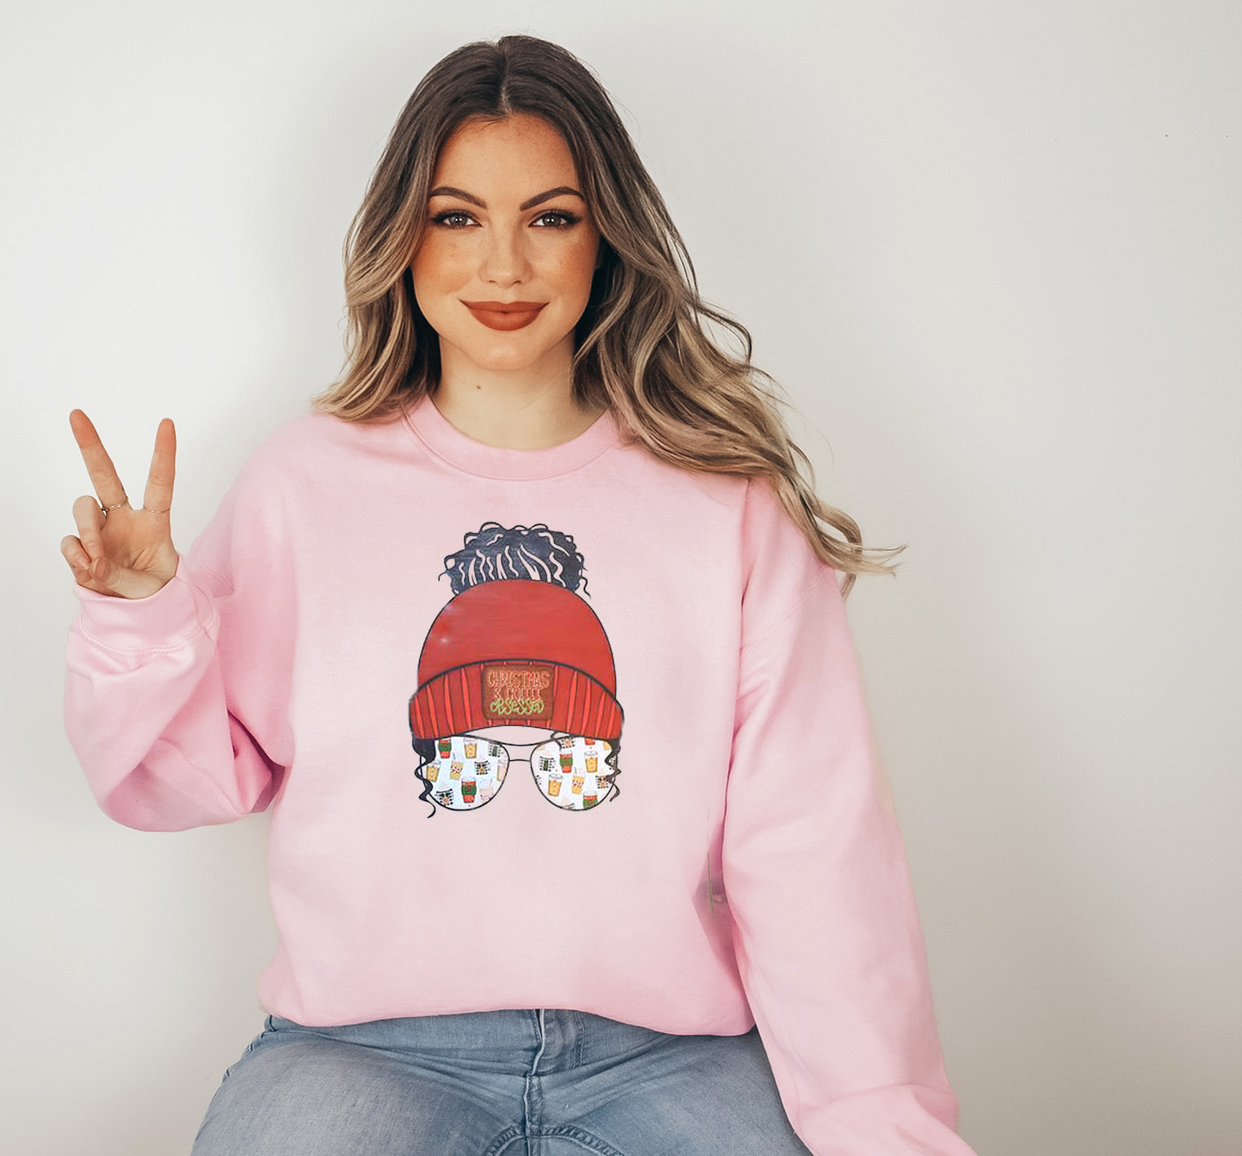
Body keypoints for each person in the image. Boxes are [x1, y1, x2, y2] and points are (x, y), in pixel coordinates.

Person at [61, 35, 978, 1156]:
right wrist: (145, 613)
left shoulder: (724, 507)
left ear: (606, 239)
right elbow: (176, 781)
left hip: (670, 1052)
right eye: (456, 216)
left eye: (548, 216)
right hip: (364, 1049)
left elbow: (812, 850)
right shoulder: (301, 485)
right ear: (403, 237)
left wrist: (876, 1127)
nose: (501, 264)